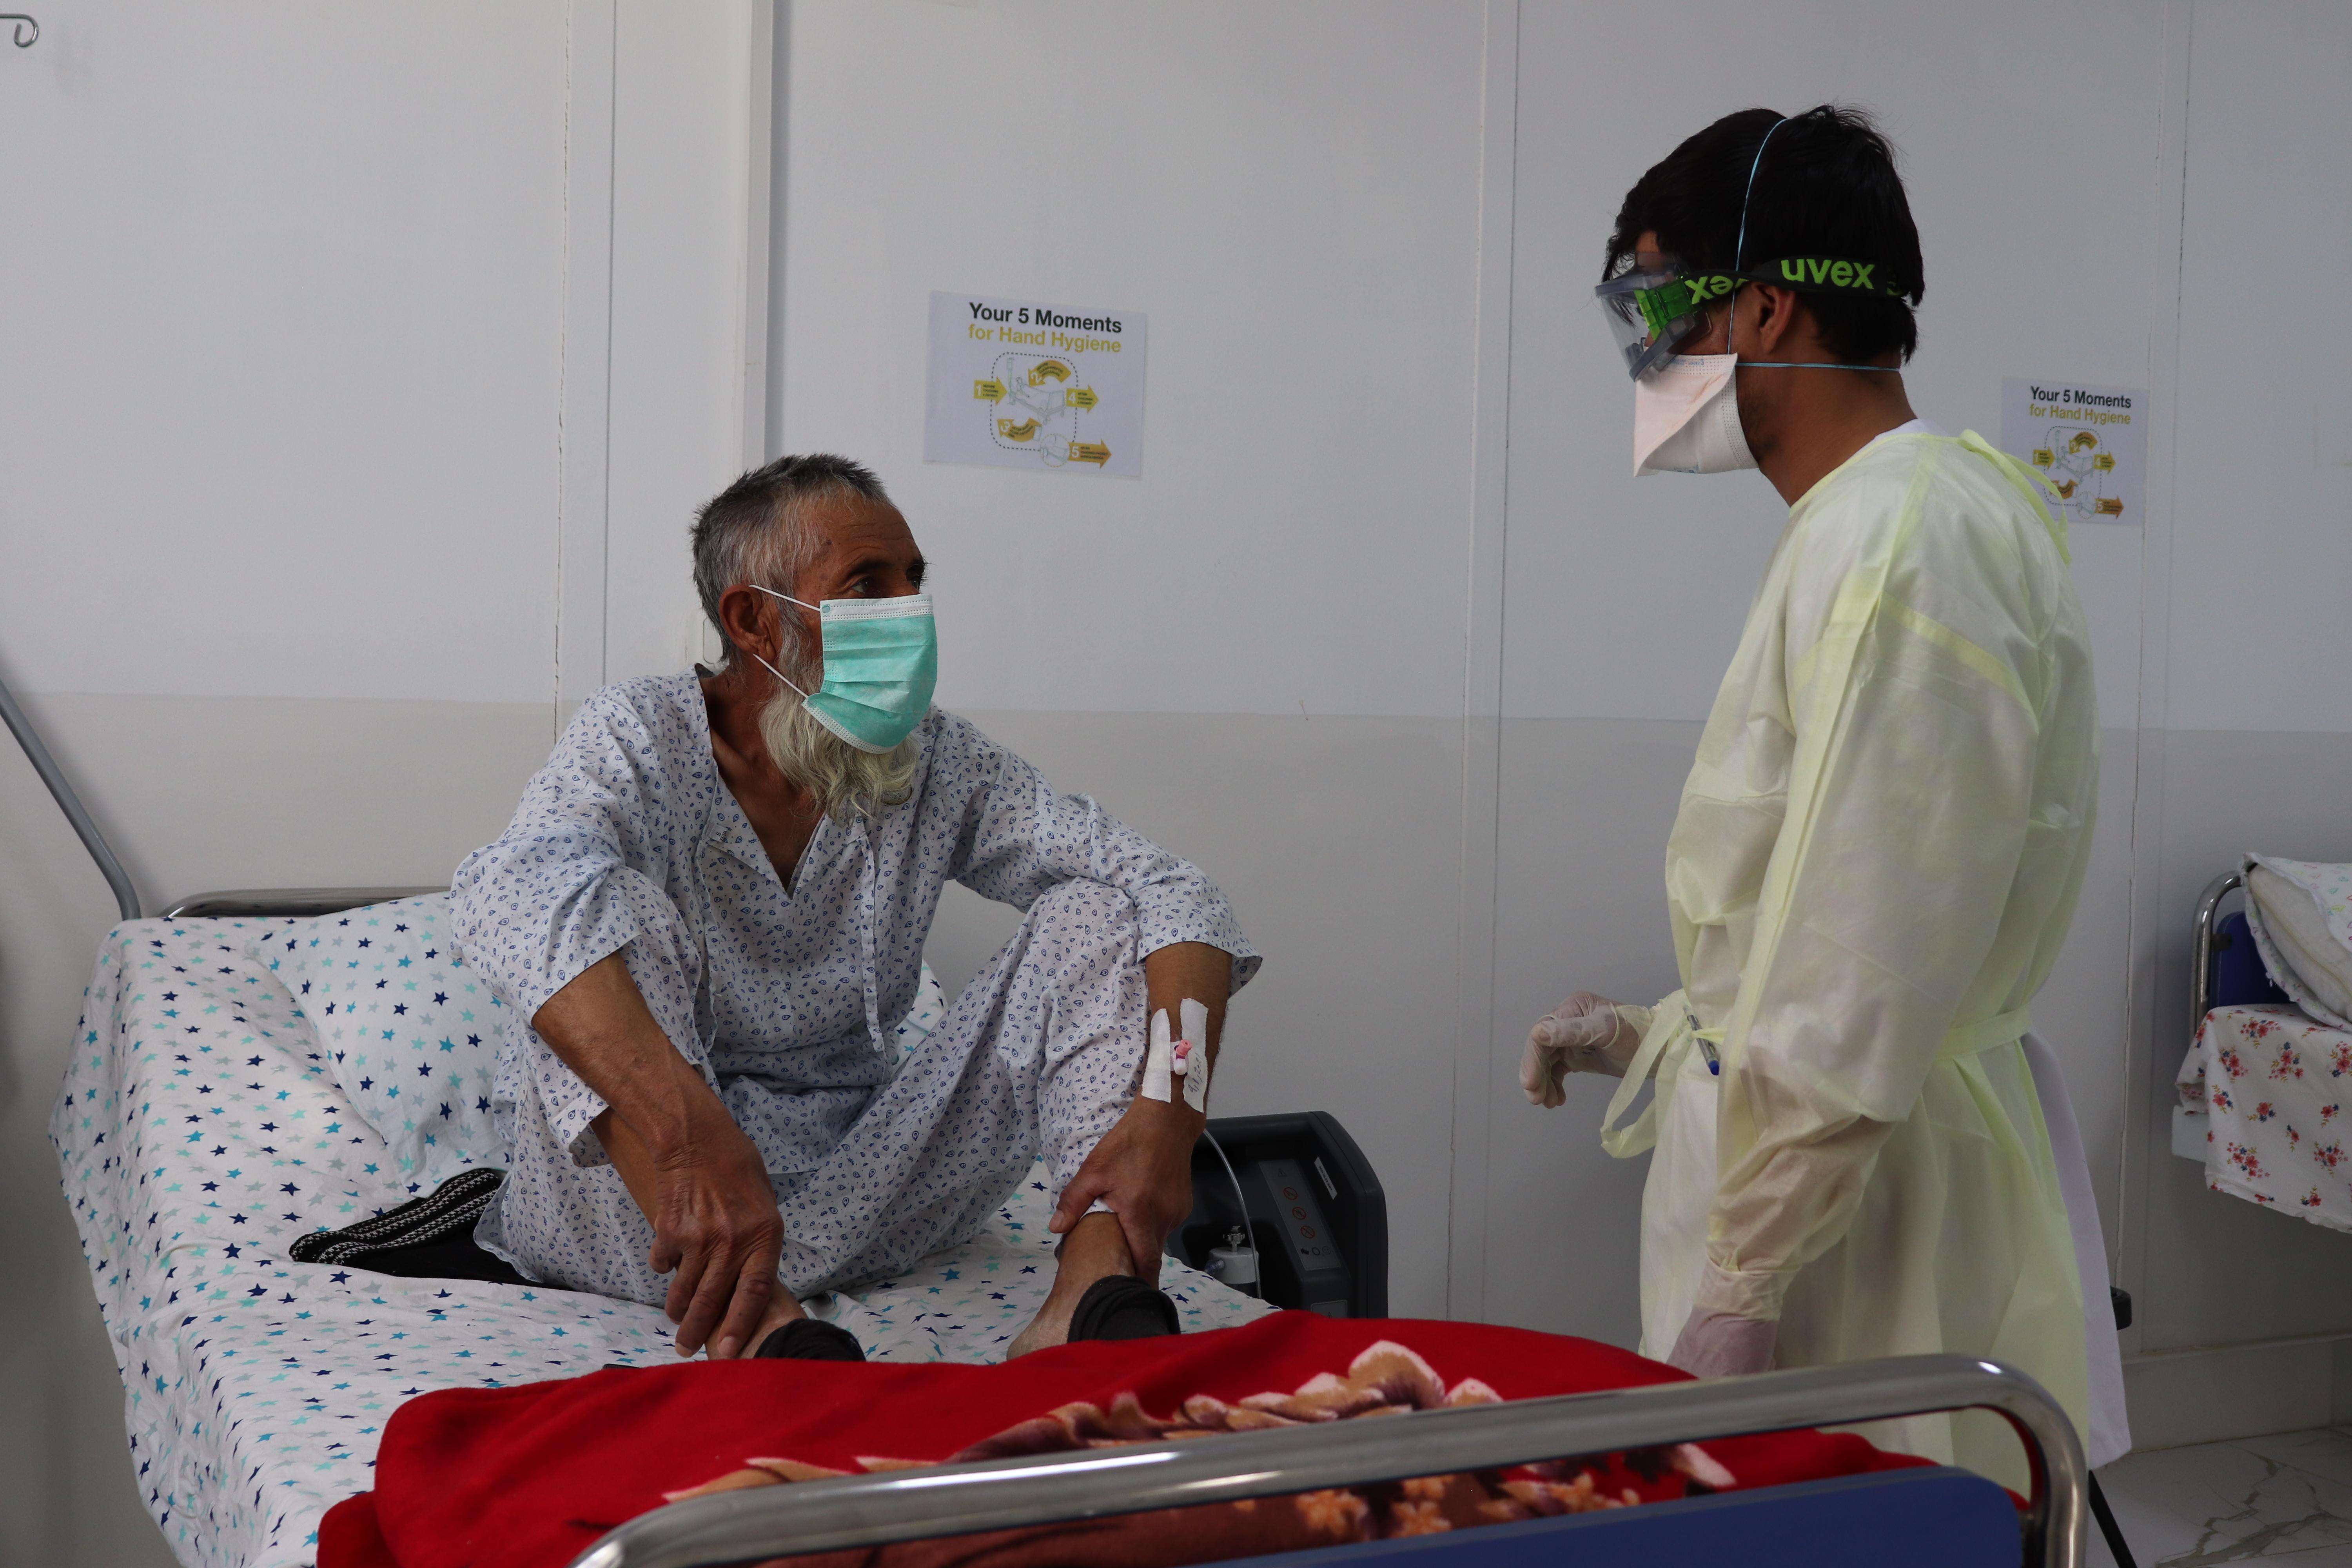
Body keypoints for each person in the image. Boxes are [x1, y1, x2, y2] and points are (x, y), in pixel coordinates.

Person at [1521, 106, 2109, 1478]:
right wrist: (1657, 1029)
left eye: (1663, 305)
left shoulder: (1903, 539)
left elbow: (1871, 957)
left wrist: (1745, 1281)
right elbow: (1844, 902)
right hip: (1837, 1183)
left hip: (1846, 1236)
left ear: (1772, 308)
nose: (1651, 356)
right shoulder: (1902, 515)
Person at [450, 453, 1257, 1362]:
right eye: (869, 585)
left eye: (914, 580)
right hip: (654, 1212)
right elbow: (511, 891)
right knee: (597, 909)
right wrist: (687, 1134)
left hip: (868, 1193)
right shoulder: (641, 735)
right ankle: (758, 1325)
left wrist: (1170, 1113)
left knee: (1100, 911)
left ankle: (1092, 1292)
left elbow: (1169, 887)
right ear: (754, 619)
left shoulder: (933, 760)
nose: (909, 610)